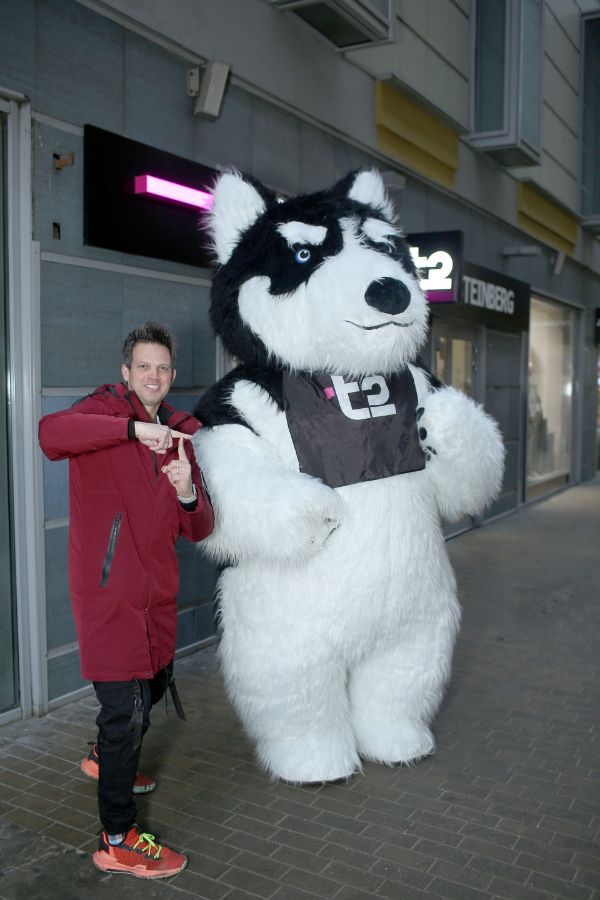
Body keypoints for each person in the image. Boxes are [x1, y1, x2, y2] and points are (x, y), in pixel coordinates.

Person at [39, 322, 214, 879]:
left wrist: (187, 490)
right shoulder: (103, 414)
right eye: (143, 366)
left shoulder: (180, 437)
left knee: (153, 686)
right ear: (126, 372)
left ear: (172, 374)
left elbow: (201, 528)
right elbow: (51, 434)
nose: (153, 376)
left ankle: (105, 756)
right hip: (109, 595)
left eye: (162, 367)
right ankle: (117, 839)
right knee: (127, 711)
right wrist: (134, 430)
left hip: (155, 598)